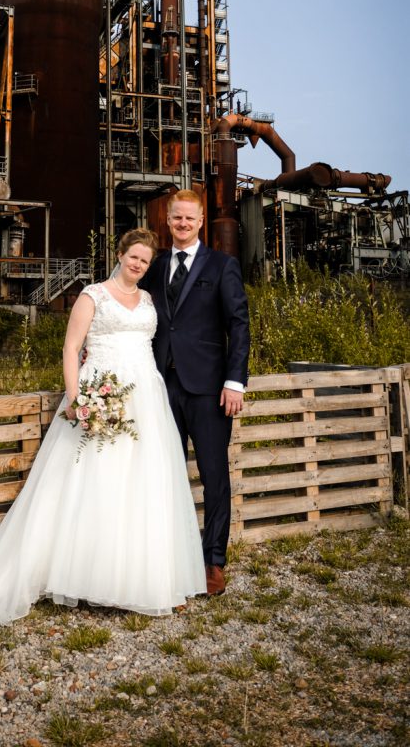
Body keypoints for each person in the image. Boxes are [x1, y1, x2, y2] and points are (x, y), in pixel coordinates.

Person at [0, 228, 206, 623]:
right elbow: (71, 348)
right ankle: (92, 577)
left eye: (145, 261)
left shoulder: (148, 300)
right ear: (120, 255)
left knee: (142, 484)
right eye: (133, 256)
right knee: (97, 481)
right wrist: (78, 400)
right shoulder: (93, 295)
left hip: (145, 399)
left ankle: (142, 579)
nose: (138, 264)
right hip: (102, 391)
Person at [140, 190, 250, 597]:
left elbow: (238, 324)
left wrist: (235, 381)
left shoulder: (222, 265)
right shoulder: (154, 268)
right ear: (167, 221)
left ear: (201, 221)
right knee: (162, 471)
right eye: (176, 218)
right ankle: (168, 556)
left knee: (213, 476)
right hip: (160, 386)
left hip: (209, 389)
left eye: (190, 218)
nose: (183, 224)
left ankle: (213, 562)